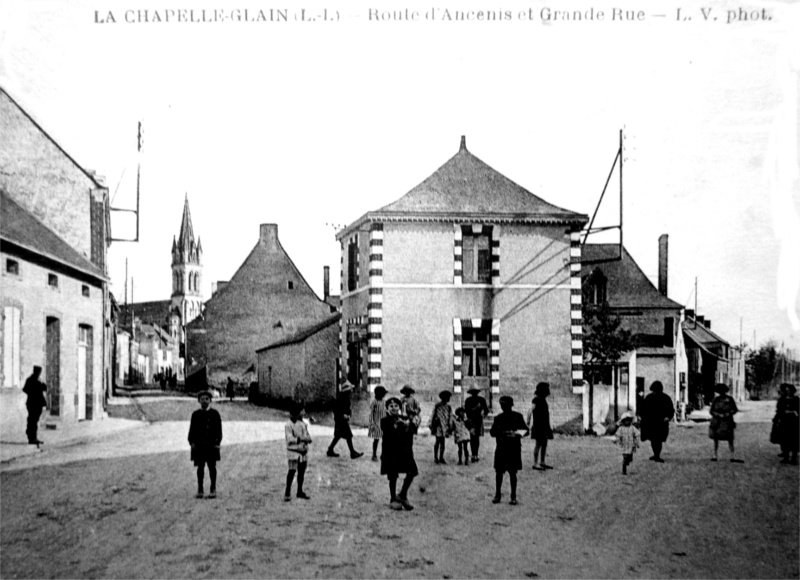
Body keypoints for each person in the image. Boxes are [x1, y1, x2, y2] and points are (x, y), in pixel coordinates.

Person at [380, 396, 418, 511]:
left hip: (404, 451)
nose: (394, 408)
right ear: (387, 409)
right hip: (391, 452)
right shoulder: (385, 420)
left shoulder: (405, 418)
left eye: (396, 406)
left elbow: (413, 430)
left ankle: (402, 494)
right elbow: (388, 431)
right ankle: (393, 498)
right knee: (393, 475)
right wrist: (396, 426)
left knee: (412, 472)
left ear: (400, 408)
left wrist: (408, 424)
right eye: (391, 406)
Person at [489, 395, 529, 505]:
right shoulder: (498, 418)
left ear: (511, 405)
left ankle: (513, 496)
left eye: (506, 405)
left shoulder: (518, 416)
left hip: (513, 448)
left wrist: (515, 434)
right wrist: (502, 433)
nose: (504, 407)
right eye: (502, 405)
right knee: (499, 473)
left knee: (512, 473)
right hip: (501, 448)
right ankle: (497, 494)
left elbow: (526, 431)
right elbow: (492, 433)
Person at [188, 390, 223, 498]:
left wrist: (217, 442)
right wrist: (191, 442)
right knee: (200, 468)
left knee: (212, 467)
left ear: (210, 401)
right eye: (202, 399)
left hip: (211, 445)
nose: (204, 401)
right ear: (199, 401)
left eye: (207, 399)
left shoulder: (215, 414)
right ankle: (200, 489)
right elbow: (192, 430)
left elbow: (219, 430)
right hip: (199, 445)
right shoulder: (195, 414)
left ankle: (213, 488)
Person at [639, 380, 674, 463]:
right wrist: (642, 417)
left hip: (661, 422)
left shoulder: (665, 398)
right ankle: (656, 455)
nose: (655, 391)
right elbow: (643, 409)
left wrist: (668, 417)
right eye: (654, 390)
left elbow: (670, 410)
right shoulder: (649, 397)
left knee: (658, 440)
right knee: (653, 439)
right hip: (651, 422)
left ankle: (657, 455)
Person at [327, 382, 363, 459]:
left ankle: (330, 450)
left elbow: (347, 409)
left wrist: (348, 415)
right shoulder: (342, 398)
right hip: (341, 420)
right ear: (347, 390)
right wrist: (343, 415)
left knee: (338, 435)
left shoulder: (344, 397)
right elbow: (337, 409)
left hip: (340, 419)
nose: (352, 391)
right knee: (348, 436)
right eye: (350, 389)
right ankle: (352, 453)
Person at [285, 401, 312, 501]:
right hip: (294, 451)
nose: (304, 412)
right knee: (292, 471)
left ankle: (299, 491)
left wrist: (308, 439)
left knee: (301, 472)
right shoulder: (289, 425)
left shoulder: (303, 424)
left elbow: (307, 435)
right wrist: (301, 439)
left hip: (303, 451)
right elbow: (289, 439)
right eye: (302, 410)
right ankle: (287, 492)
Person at [708, 383, 743, 463]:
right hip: (717, 421)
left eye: (723, 391)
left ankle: (732, 455)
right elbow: (711, 411)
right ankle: (715, 455)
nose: (722, 393)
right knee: (716, 438)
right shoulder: (716, 400)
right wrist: (718, 414)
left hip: (727, 421)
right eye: (720, 391)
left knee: (730, 438)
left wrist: (728, 413)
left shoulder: (730, 399)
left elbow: (734, 409)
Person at [526, 382, 554, 471]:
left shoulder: (543, 399)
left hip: (545, 425)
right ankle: (535, 463)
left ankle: (542, 462)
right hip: (538, 426)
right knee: (538, 444)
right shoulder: (536, 400)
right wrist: (528, 422)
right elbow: (530, 411)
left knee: (544, 444)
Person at [772, 383, 799, 465]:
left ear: (792, 390)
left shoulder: (797, 399)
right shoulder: (782, 400)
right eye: (786, 390)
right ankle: (786, 457)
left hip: (795, 422)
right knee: (785, 440)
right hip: (784, 422)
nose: (788, 391)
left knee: (794, 440)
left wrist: (794, 412)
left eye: (789, 390)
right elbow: (779, 410)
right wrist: (777, 419)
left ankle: (794, 458)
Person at [22, 366, 48, 445]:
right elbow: (25, 389)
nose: (39, 373)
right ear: (36, 371)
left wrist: (41, 381)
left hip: (36, 403)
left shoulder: (37, 380)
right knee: (32, 420)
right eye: (39, 372)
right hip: (33, 403)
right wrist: (32, 394)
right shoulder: (31, 380)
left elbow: (45, 388)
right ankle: (32, 437)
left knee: (34, 420)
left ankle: (33, 437)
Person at [464, 387, 489, 461]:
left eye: (475, 392)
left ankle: (475, 454)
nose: (474, 394)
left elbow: (486, 410)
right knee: (473, 437)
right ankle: (474, 455)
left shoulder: (481, 400)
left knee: (475, 438)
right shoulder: (468, 400)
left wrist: (483, 416)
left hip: (477, 420)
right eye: (473, 393)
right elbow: (466, 411)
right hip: (472, 420)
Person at [429, 390, 454, 464]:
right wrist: (432, 424)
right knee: (438, 441)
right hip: (438, 426)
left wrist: (450, 426)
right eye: (448, 397)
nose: (449, 399)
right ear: (444, 398)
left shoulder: (448, 407)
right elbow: (433, 415)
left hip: (445, 426)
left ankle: (441, 457)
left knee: (442, 442)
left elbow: (450, 417)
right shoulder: (437, 406)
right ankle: (436, 457)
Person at [368, 385, 388, 461]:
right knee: (376, 440)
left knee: (385, 440)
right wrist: (372, 423)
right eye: (383, 393)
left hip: (384, 423)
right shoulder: (374, 402)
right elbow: (371, 413)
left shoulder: (384, 402)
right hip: (377, 423)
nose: (384, 395)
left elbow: (386, 411)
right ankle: (374, 454)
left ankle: (383, 454)